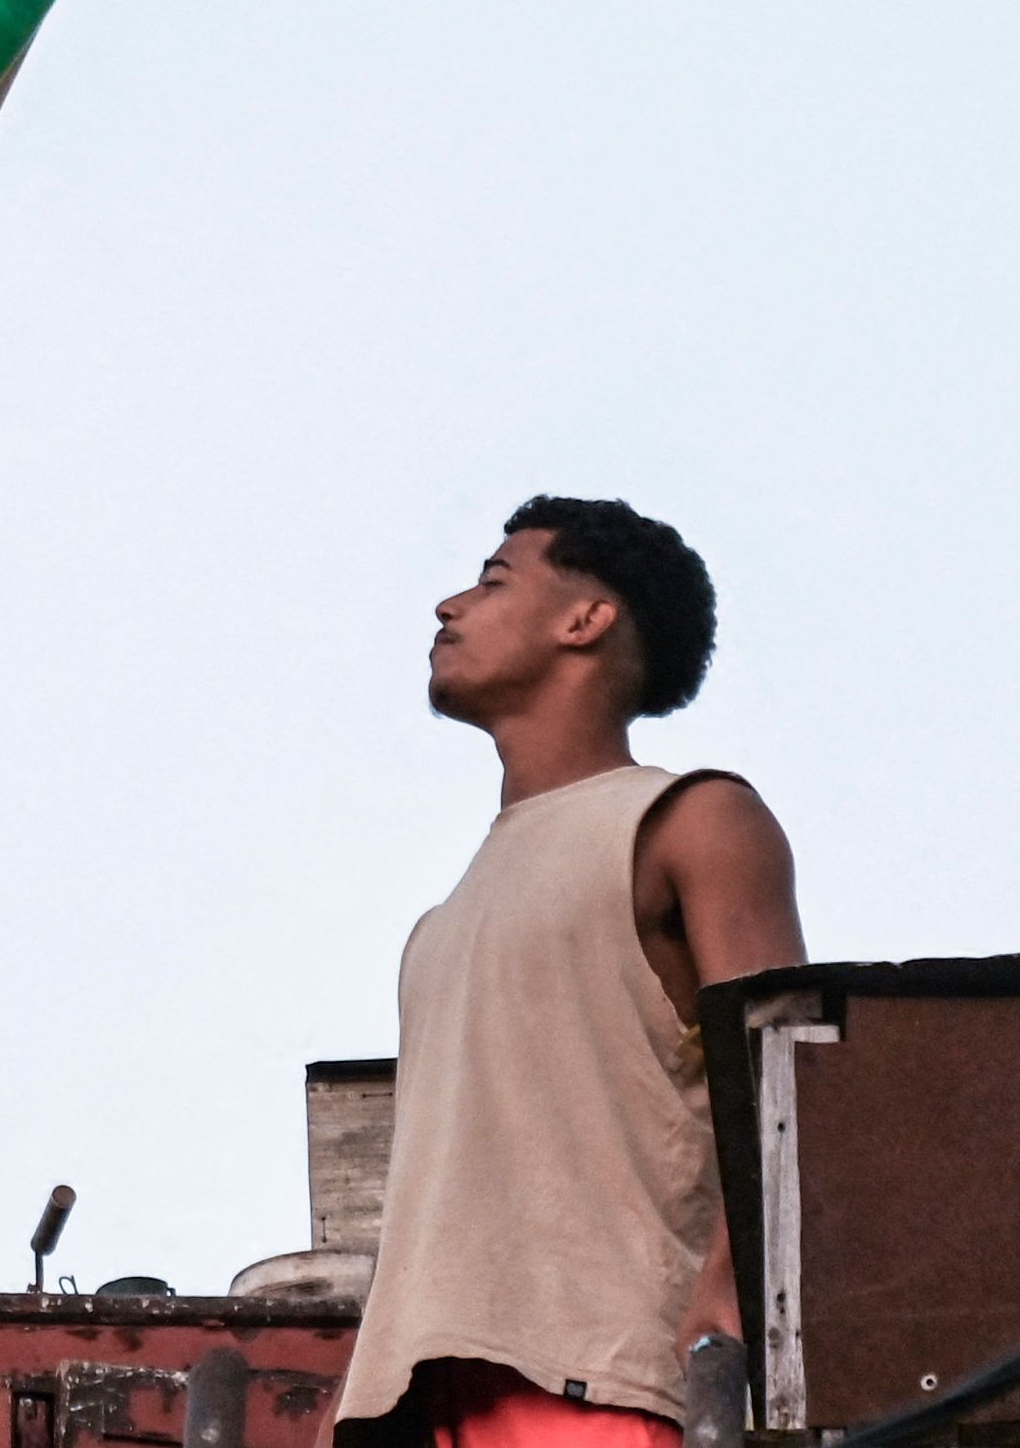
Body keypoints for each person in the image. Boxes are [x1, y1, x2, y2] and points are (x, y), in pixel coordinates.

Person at [339, 498, 807, 1448]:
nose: (447, 605)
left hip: (600, 1380)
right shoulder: (437, 929)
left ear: (584, 619)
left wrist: (728, 1299)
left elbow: (787, 1089)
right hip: (424, 1400)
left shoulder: (689, 820)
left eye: (492, 580)